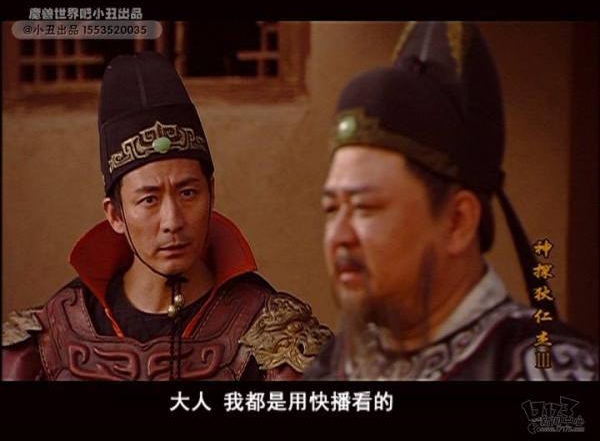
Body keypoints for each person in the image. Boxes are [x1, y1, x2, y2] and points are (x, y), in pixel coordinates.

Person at [2, 51, 332, 381]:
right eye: (149, 200)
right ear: (115, 215)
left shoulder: (274, 338)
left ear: (211, 193)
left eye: (188, 193)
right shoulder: (51, 341)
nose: (173, 221)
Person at [302, 21, 598, 381]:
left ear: (459, 221)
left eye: (365, 208)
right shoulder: (328, 372)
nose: (339, 236)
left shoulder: (553, 376)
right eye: (331, 209)